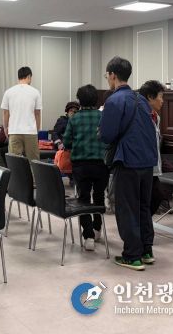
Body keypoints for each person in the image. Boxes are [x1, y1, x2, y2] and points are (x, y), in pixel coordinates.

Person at [99, 57, 158, 271]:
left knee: (127, 208)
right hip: (147, 161)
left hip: (127, 160)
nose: (107, 79)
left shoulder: (114, 101)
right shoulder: (140, 99)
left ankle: (132, 256)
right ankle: (146, 251)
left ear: (113, 75)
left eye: (107, 75)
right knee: (143, 206)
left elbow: (107, 135)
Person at [62, 85, 108, 251]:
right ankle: (97, 228)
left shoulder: (74, 119)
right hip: (102, 164)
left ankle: (88, 236)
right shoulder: (103, 117)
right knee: (99, 196)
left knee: (83, 199)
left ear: (80, 100)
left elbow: (66, 142)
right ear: (96, 100)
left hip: (81, 165)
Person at [1, 66, 42, 161]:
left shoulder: (8, 92)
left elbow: (6, 113)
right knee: (33, 162)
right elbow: (37, 113)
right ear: (29, 76)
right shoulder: (35, 92)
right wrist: (37, 130)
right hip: (30, 131)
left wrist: (6, 128)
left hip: (14, 131)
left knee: (15, 163)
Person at [139, 80, 166, 215]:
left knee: (156, 196)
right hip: (144, 167)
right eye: (160, 97)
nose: (162, 101)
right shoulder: (140, 116)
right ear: (150, 97)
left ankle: (144, 222)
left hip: (154, 166)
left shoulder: (156, 116)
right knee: (153, 197)